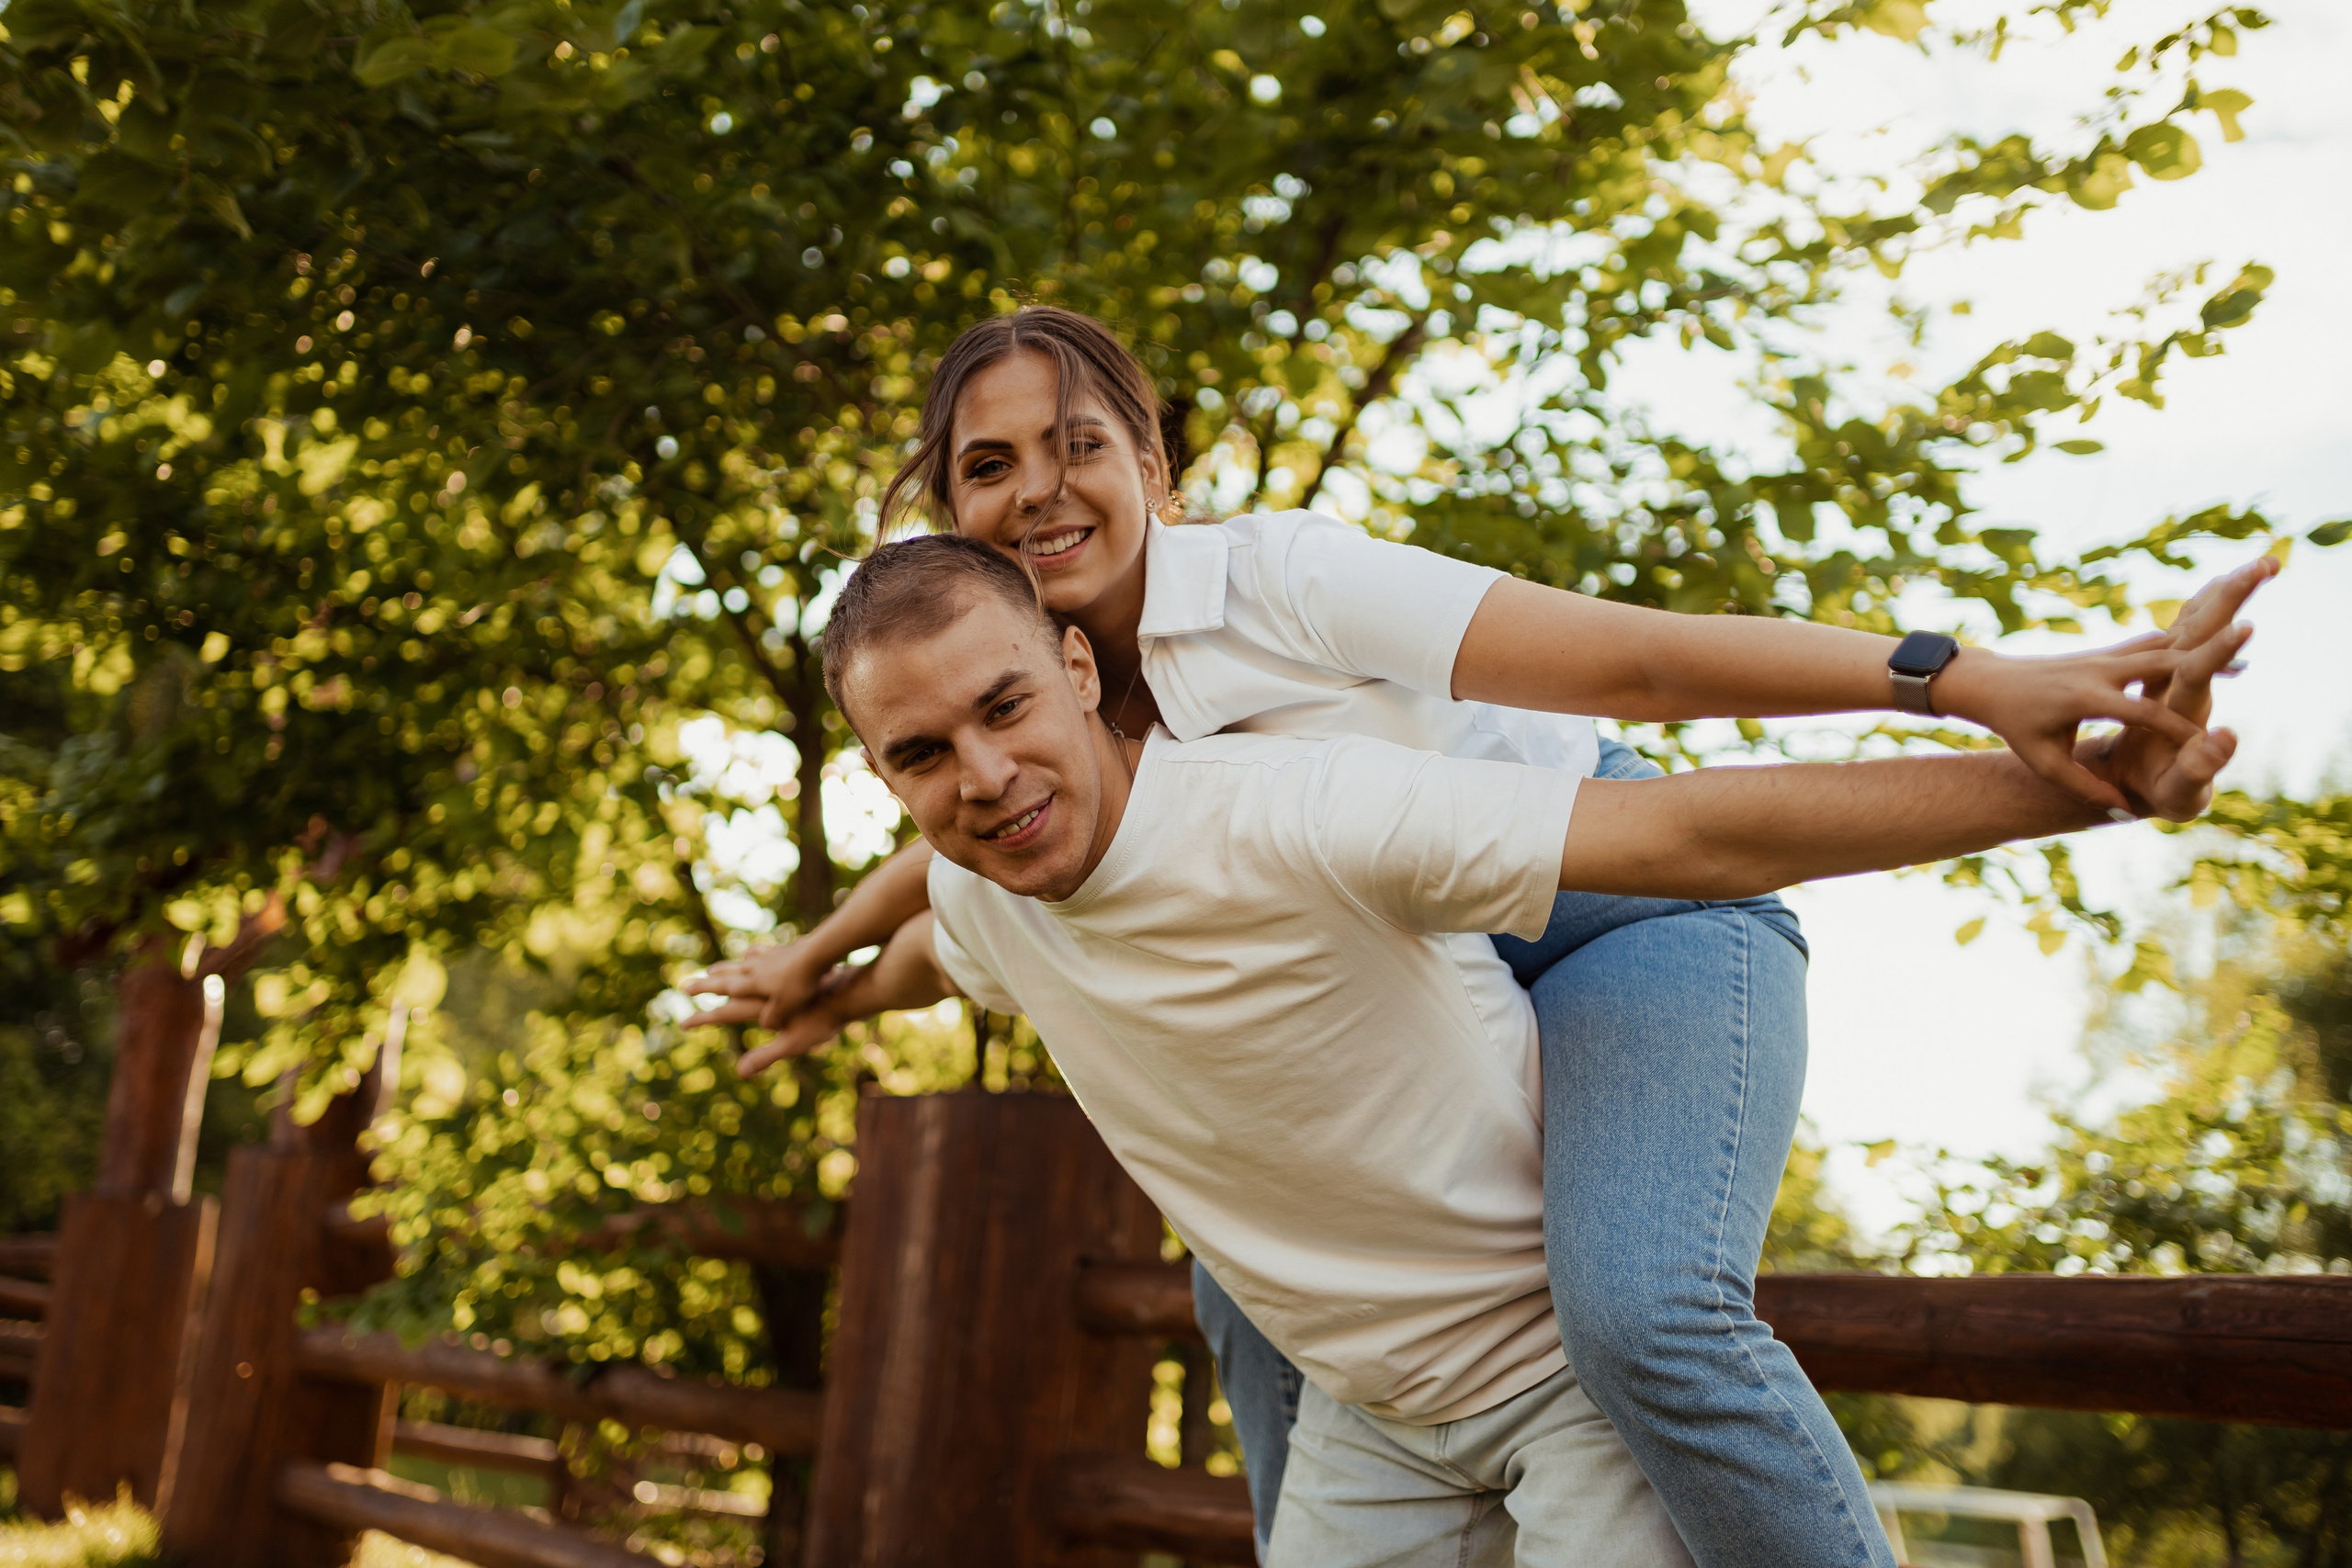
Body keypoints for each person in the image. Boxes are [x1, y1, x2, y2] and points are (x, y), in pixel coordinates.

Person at [693, 306, 2260, 1567]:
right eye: (989, 463)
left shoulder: (1277, 594)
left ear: (1152, 461)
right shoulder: (1012, 710)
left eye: (1077, 443)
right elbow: (962, 871)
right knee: (1255, 1270)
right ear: (946, 511)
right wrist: (823, 970)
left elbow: (1638, 673)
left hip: (1623, 908)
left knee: (1640, 1312)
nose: (1037, 488)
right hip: (1417, 966)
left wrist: (1977, 688)